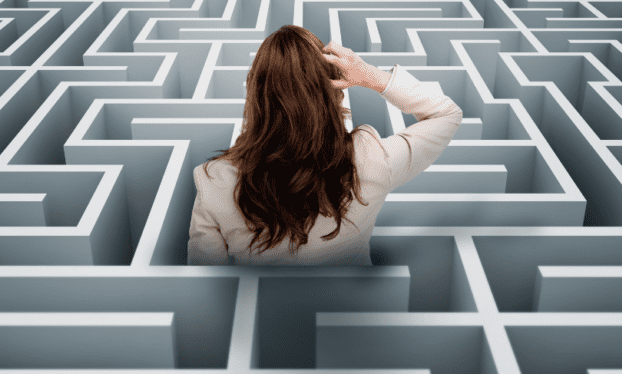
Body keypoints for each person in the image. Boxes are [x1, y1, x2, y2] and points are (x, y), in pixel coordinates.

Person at [187, 25, 463, 265]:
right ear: (334, 93)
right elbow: (446, 114)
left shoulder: (214, 181)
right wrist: (370, 75)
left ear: (256, 98)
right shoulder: (371, 159)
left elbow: (207, 285)